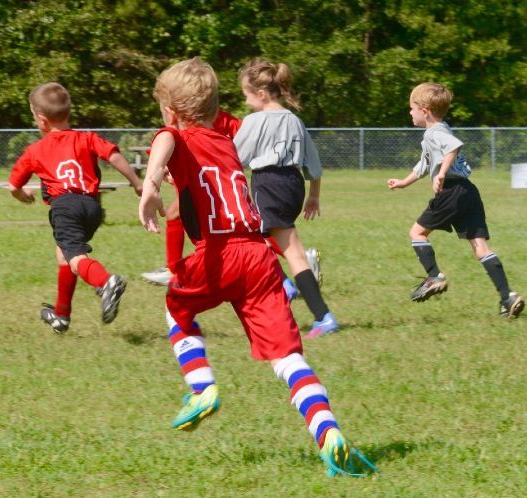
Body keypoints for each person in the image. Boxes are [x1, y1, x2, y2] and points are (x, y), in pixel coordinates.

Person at [138, 57, 376, 477]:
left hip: (218, 253)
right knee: (286, 357)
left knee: (176, 309)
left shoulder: (173, 134)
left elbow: (165, 144)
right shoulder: (230, 130)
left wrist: (152, 183)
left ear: (171, 112)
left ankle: (203, 389)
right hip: (261, 257)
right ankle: (329, 433)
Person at [141, 110, 323, 298]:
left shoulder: (216, 118)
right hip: (211, 180)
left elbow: (240, 139)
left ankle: (176, 273)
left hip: (219, 181)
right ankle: (290, 270)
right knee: (249, 230)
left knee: (248, 231)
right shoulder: (197, 116)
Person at [8, 82, 142, 333]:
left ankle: (106, 282)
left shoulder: (35, 150)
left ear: (41, 119)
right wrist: (136, 183)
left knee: (76, 257)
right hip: (92, 207)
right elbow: (113, 155)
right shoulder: (86, 138)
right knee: (64, 254)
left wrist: (23, 196)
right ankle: (61, 314)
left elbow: (14, 185)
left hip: (64, 207)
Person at [387, 82, 525, 317]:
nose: (409, 113)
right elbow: (423, 166)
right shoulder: (440, 130)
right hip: (468, 192)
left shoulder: (436, 132)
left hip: (451, 191)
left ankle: (434, 277)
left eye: (412, 108)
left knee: (417, 233)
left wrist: (441, 174)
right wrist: (403, 182)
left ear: (425, 110)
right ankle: (508, 296)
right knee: (480, 247)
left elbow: (454, 148)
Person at [232, 58, 336, 338]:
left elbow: (234, 158)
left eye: (246, 95)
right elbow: (313, 164)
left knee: (245, 241)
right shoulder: (294, 120)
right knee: (292, 251)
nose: (246, 101)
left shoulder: (255, 121)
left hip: (268, 184)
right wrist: (313, 197)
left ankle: (287, 287)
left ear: (262, 93)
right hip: (293, 185)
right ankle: (320, 315)